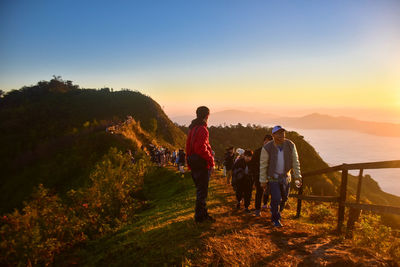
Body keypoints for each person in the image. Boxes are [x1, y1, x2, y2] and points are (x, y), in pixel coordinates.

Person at [260, 126, 302, 227]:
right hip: (273, 178)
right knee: (276, 198)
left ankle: (275, 210)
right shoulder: (267, 148)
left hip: (285, 177)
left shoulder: (290, 145)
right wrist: (263, 180)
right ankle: (275, 218)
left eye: (282, 133)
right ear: (273, 135)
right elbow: (263, 164)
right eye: (278, 133)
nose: (281, 135)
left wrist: (297, 176)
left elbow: (295, 162)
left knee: (284, 198)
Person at [186, 106, 215, 223]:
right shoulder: (202, 129)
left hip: (194, 163)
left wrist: (189, 163)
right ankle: (200, 217)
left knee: (200, 190)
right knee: (202, 192)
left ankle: (202, 214)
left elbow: (188, 147)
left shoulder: (192, 128)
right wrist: (211, 160)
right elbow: (201, 148)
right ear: (206, 115)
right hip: (201, 165)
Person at [250, 134, 273, 217]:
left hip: (271, 176)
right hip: (259, 175)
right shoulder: (258, 151)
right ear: (263, 142)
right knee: (259, 192)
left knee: (273, 192)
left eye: (269, 141)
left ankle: (273, 209)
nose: (267, 143)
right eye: (265, 141)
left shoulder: (274, 153)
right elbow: (252, 164)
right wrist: (256, 174)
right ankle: (257, 210)